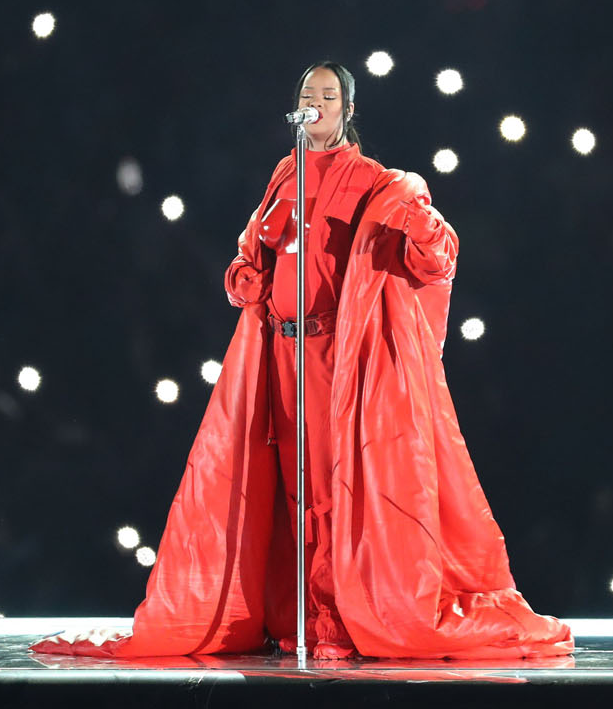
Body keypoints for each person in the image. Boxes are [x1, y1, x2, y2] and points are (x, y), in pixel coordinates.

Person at [31, 62, 573, 660]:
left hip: (341, 359)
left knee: (338, 483)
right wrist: (247, 271)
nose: (316, 103)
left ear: (348, 109)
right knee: (295, 484)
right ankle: (305, 617)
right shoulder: (285, 173)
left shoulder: (376, 182)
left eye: (328, 95)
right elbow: (252, 255)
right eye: (308, 93)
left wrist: (419, 223)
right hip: (284, 352)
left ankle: (339, 620)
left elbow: (435, 259)